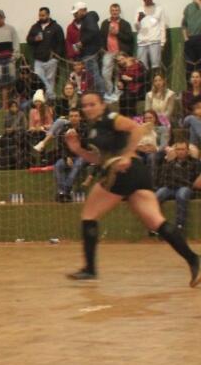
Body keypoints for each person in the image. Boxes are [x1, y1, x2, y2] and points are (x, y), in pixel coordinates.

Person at [64, 89, 199, 284]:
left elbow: (136, 129)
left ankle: (90, 269)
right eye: (84, 105)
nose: (88, 108)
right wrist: (77, 149)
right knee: (156, 222)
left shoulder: (110, 118)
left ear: (103, 105)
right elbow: (99, 160)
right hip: (136, 173)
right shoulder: (94, 129)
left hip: (123, 172)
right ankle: (194, 260)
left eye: (92, 104)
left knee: (89, 215)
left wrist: (127, 155)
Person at [154, 142, 201, 233]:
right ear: (175, 151)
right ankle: (156, 226)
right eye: (178, 149)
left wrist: (181, 181)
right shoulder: (170, 162)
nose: (180, 151)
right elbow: (164, 179)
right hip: (170, 188)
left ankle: (179, 227)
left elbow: (196, 182)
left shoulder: (195, 162)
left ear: (187, 151)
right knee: (157, 196)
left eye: (182, 149)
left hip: (186, 188)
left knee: (181, 195)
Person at [27, 6, 65, 96]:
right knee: (38, 79)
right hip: (38, 59)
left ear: (48, 15)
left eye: (43, 15)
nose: (41, 17)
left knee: (50, 80)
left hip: (51, 59)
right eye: (40, 15)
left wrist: (56, 57)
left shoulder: (56, 27)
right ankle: (47, 97)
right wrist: (35, 39)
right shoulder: (35, 27)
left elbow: (61, 43)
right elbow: (28, 39)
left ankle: (49, 100)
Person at [101, 4, 134, 100]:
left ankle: (117, 93)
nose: (114, 12)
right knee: (105, 74)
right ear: (110, 11)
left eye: (116, 10)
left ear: (119, 11)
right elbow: (101, 37)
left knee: (119, 74)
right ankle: (109, 92)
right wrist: (102, 49)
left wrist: (117, 33)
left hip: (121, 53)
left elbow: (129, 38)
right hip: (108, 52)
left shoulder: (125, 24)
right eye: (113, 10)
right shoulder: (104, 23)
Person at [53, 109, 88, 201]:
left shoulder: (85, 128)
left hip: (82, 157)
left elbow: (87, 147)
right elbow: (60, 146)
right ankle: (64, 193)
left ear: (80, 117)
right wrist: (66, 157)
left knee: (78, 163)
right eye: (71, 116)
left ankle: (64, 191)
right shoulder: (64, 129)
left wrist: (77, 136)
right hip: (68, 157)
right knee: (58, 165)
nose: (73, 118)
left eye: (76, 116)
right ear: (69, 118)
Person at [71, 2, 105, 94]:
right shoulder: (89, 18)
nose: (74, 15)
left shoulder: (88, 19)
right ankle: (100, 94)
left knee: (94, 75)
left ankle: (101, 94)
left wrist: (82, 42)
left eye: (76, 13)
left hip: (90, 53)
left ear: (83, 10)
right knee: (94, 74)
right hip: (92, 52)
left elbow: (94, 31)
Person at [0, 9, 19, 106]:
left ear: (4, 17)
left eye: (1, 17)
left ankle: (13, 104)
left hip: (10, 59)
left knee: (12, 81)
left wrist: (14, 57)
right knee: (2, 84)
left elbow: (16, 44)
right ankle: (5, 105)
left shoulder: (11, 29)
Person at [136, 0, 166, 72]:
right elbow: (136, 27)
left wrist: (162, 43)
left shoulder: (159, 9)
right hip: (142, 42)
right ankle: (145, 80)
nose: (146, 0)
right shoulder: (139, 9)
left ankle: (156, 80)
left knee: (156, 66)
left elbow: (162, 26)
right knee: (141, 67)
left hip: (155, 41)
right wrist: (138, 21)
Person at [0, 99, 28, 170]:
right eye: (12, 106)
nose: (14, 108)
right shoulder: (7, 115)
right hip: (9, 134)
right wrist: (7, 130)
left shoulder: (21, 114)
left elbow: (24, 127)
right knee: (0, 142)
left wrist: (14, 129)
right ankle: (2, 164)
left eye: (15, 106)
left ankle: (17, 163)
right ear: (9, 107)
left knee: (11, 141)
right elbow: (5, 127)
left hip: (19, 134)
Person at [114, 53, 146, 119]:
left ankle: (132, 118)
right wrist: (120, 84)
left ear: (127, 57)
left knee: (128, 98)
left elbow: (144, 78)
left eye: (122, 59)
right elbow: (123, 84)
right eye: (119, 61)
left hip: (141, 88)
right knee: (122, 98)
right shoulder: (122, 70)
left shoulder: (138, 64)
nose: (121, 61)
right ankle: (123, 119)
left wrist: (131, 79)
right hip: (130, 90)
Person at [183, 0, 201, 76]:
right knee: (190, 67)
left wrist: (199, 4)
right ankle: (190, 85)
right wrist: (186, 39)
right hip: (191, 40)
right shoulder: (189, 7)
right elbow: (184, 25)